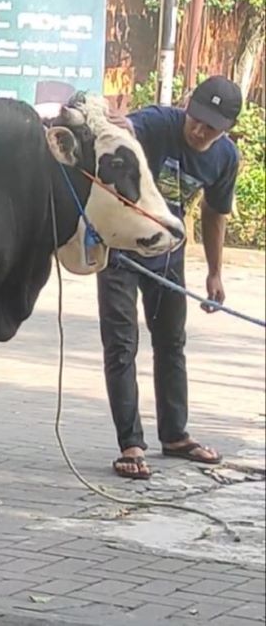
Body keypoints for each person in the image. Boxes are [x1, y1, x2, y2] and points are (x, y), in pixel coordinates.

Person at [99, 75, 242, 480]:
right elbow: (128, 127)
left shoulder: (225, 159)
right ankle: (131, 442)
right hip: (121, 250)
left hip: (167, 256)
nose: (199, 130)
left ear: (226, 130)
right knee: (122, 344)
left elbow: (216, 215)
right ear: (187, 108)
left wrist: (215, 272)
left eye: (210, 127)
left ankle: (175, 434)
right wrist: (118, 125)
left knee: (171, 342)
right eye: (195, 119)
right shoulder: (160, 123)